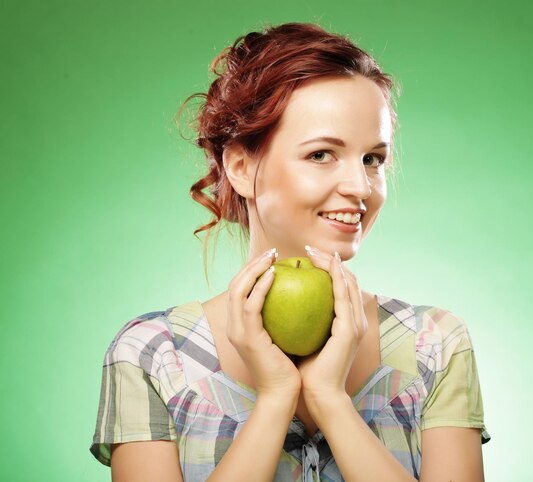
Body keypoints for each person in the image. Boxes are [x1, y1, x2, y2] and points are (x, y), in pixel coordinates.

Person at [89, 21, 491, 482]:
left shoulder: (434, 345)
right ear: (240, 166)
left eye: (373, 159)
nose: (360, 187)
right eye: (321, 154)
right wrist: (277, 397)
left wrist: (330, 400)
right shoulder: (155, 355)